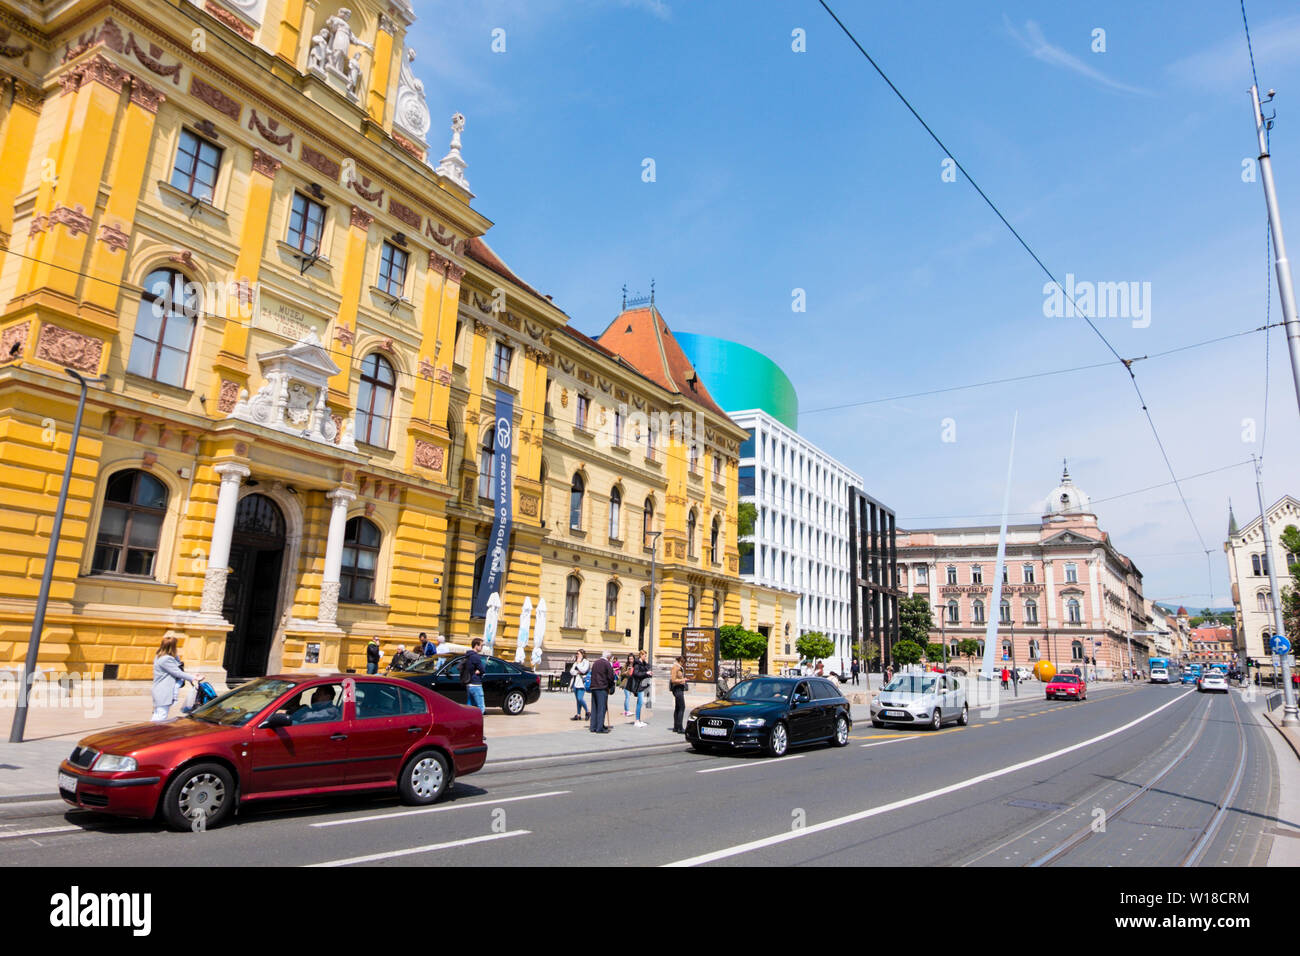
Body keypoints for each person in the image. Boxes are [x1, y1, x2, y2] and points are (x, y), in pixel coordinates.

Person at [152, 636, 201, 721]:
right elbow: (177, 672)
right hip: (163, 690)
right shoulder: (166, 659)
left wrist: (192, 675)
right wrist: (193, 678)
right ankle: (153, 732)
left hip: (160, 689)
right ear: (172, 647)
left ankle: (151, 731)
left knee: (158, 713)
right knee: (161, 715)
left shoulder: (160, 656)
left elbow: (177, 669)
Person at [589, 651, 615, 733]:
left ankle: (593, 726)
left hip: (594, 687)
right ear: (608, 657)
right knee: (601, 708)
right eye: (610, 658)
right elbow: (611, 677)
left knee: (594, 707)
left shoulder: (595, 663)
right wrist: (611, 686)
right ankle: (599, 728)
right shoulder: (607, 664)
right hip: (602, 687)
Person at [462, 638, 486, 713]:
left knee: (470, 707)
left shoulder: (468, 655)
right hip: (476, 684)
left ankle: (468, 722)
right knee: (481, 708)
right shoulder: (476, 656)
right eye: (481, 645)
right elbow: (482, 670)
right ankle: (479, 723)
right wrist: (479, 671)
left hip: (469, 684)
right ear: (476, 645)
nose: (482, 647)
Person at [631, 649, 652, 727]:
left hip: (643, 685)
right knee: (640, 702)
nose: (645, 657)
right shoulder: (637, 664)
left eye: (646, 656)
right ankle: (636, 720)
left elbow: (647, 669)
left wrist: (648, 672)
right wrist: (645, 673)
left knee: (640, 702)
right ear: (641, 655)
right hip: (639, 685)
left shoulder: (643, 664)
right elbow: (636, 674)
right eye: (644, 656)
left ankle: (639, 719)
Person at [571, 649, 591, 721]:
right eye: (576, 654)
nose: (577, 655)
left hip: (582, 682)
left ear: (582, 654)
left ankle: (588, 711)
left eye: (578, 654)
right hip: (575, 682)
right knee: (577, 700)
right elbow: (571, 671)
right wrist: (577, 671)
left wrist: (579, 665)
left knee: (580, 698)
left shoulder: (586, 662)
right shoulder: (576, 662)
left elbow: (584, 670)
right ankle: (578, 714)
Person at [670, 655, 688, 733]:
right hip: (677, 689)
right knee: (682, 707)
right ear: (681, 661)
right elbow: (673, 680)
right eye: (684, 663)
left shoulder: (679, 667)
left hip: (680, 688)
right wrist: (682, 680)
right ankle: (679, 727)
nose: (684, 664)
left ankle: (676, 727)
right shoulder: (675, 667)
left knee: (678, 707)